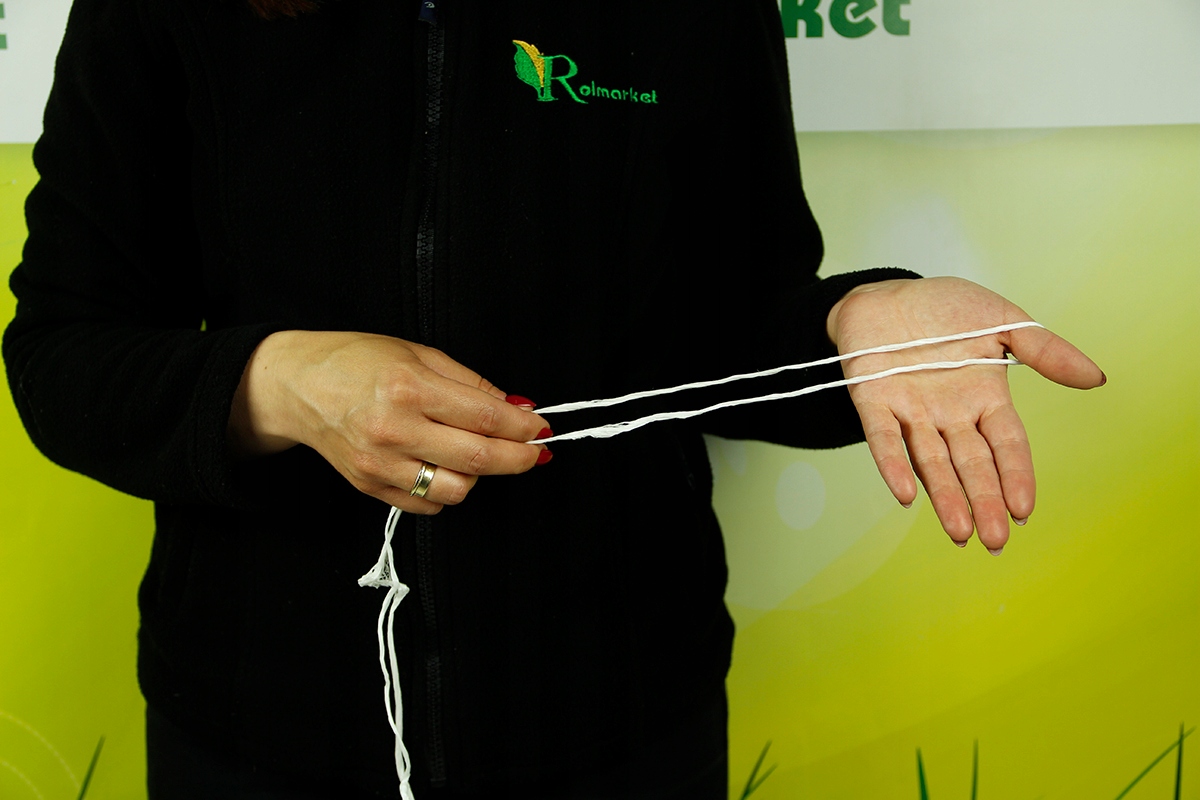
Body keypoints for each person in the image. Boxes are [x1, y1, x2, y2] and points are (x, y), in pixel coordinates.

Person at [3, 0, 1103, 797]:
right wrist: (279, 382)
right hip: (255, 728)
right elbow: (65, 355)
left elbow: (735, 332)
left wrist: (858, 318)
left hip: (624, 726)